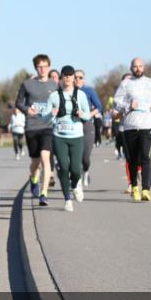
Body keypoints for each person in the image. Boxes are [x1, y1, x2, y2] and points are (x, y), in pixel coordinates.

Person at [114, 58, 151, 202]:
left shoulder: (150, 82)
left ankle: (146, 189)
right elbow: (117, 101)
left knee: (146, 157)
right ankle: (134, 186)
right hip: (131, 126)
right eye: (135, 67)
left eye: (140, 66)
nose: (138, 69)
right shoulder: (126, 84)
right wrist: (128, 105)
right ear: (131, 68)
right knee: (133, 158)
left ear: (144, 67)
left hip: (147, 124)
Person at [48, 66, 92, 212]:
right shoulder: (54, 96)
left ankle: (75, 185)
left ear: (74, 78)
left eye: (70, 75)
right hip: (59, 136)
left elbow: (88, 115)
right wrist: (51, 114)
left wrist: (81, 114)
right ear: (61, 78)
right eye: (65, 75)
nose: (67, 78)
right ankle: (67, 199)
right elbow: (45, 116)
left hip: (76, 136)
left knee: (75, 169)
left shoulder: (81, 95)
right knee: (63, 167)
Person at [15, 54, 55, 206]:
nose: (42, 69)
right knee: (35, 162)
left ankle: (44, 193)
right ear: (35, 68)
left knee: (46, 157)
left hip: (48, 126)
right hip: (32, 126)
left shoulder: (54, 85)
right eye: (39, 66)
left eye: (45, 66)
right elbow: (19, 102)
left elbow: (59, 103)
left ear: (49, 67)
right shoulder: (27, 84)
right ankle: (33, 179)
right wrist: (27, 110)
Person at [74, 69, 103, 187]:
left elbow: (99, 106)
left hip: (87, 125)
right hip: (73, 126)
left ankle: (85, 171)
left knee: (85, 157)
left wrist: (88, 115)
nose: (77, 80)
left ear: (84, 79)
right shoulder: (69, 91)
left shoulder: (89, 91)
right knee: (75, 156)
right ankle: (76, 180)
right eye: (75, 77)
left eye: (80, 77)